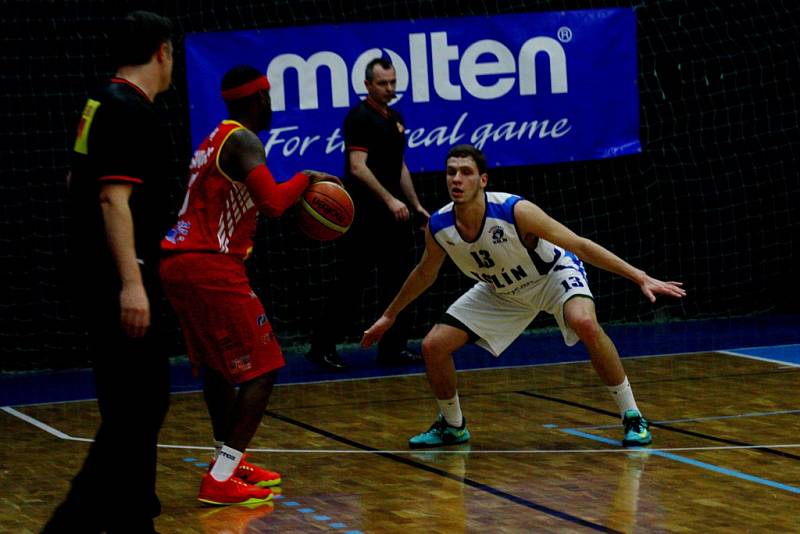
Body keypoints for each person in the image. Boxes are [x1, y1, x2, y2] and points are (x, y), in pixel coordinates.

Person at [362, 145, 687, 448]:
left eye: (465, 172)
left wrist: (639, 276)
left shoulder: (515, 211)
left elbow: (579, 245)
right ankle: (452, 425)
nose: (456, 179)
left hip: (551, 275)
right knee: (433, 346)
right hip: (501, 291)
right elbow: (424, 273)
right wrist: (389, 316)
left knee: (584, 322)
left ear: (483, 180)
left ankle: (632, 415)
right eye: (451, 172)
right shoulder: (440, 225)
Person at [160, 65, 339, 506]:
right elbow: (275, 204)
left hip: (180, 263)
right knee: (265, 366)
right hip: (210, 266)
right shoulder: (243, 139)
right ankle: (221, 476)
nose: (272, 105)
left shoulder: (214, 139)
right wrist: (309, 179)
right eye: (269, 97)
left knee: (221, 370)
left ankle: (230, 464)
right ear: (260, 99)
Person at [44, 11, 175, 534]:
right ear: (162, 52)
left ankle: (132, 514)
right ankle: (71, 523)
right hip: (118, 275)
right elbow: (110, 197)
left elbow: (75, 175)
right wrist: (131, 282)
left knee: (135, 401)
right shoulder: (127, 108)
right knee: (137, 406)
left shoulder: (99, 100)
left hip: (94, 271)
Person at [307, 57, 430, 370]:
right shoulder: (359, 118)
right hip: (363, 216)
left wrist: (414, 204)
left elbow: (399, 165)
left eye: (392, 82)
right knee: (350, 284)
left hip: (395, 218)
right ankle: (321, 347)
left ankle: (393, 348)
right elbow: (357, 167)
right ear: (367, 85)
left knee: (400, 283)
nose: (389, 88)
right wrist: (389, 200)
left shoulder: (396, 118)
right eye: (382, 83)